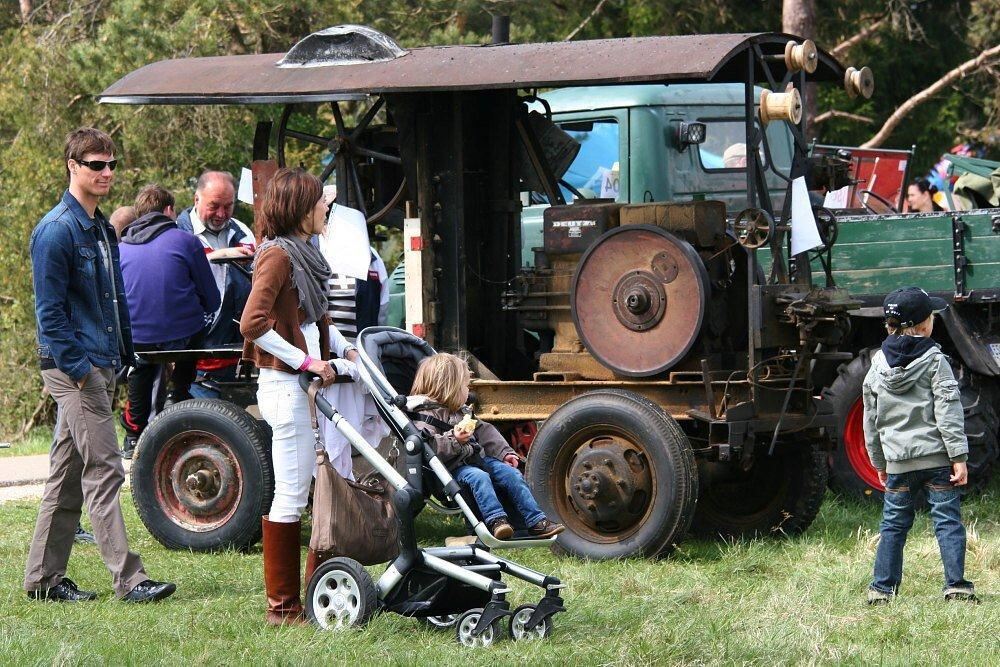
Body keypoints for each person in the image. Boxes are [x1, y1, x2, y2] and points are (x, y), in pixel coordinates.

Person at [24, 127, 175, 603]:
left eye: (111, 164)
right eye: (96, 164)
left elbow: (115, 302)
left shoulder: (102, 228)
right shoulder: (56, 231)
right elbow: (48, 312)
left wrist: (125, 356)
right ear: (73, 166)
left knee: (66, 475)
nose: (106, 172)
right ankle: (130, 580)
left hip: (102, 362)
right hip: (75, 368)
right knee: (106, 468)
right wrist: (81, 368)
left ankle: (43, 582)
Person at [239, 167, 355, 626]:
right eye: (319, 202)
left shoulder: (303, 254)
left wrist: (345, 348)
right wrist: (306, 363)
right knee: (290, 494)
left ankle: (306, 600)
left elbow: (312, 317)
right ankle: (283, 609)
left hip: (300, 388)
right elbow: (253, 323)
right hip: (287, 389)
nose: (325, 208)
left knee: (304, 493)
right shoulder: (279, 257)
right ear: (300, 209)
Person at [863, 286, 976, 605]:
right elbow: (948, 409)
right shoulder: (934, 359)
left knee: (893, 526)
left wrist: (879, 462)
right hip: (937, 461)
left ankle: (882, 589)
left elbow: (870, 416)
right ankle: (956, 585)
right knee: (947, 521)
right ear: (925, 325)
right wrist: (958, 455)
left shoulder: (877, 363)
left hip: (899, 463)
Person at [408, 352, 564, 540]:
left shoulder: (462, 411)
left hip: (474, 459)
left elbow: (485, 432)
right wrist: (454, 438)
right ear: (448, 388)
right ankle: (496, 521)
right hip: (449, 469)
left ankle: (536, 521)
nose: (469, 391)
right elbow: (428, 449)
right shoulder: (424, 416)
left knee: (510, 473)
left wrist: (504, 453)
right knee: (479, 477)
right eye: (465, 386)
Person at [118, 184, 220, 457]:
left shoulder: (121, 248)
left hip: (137, 340)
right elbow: (212, 299)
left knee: (140, 365)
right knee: (201, 323)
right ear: (168, 210)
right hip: (182, 336)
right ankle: (179, 393)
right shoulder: (186, 241)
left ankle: (132, 434)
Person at [317, 199, 391, 478]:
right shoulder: (319, 254)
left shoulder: (369, 258)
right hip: (329, 359)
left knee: (347, 425)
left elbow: (381, 307)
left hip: (353, 357)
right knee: (332, 426)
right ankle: (332, 481)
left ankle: (343, 481)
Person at [175, 171, 255, 400]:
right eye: (214, 206)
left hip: (239, 355)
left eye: (228, 206)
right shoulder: (179, 235)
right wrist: (218, 257)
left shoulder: (242, 231)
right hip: (196, 362)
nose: (221, 214)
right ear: (196, 199)